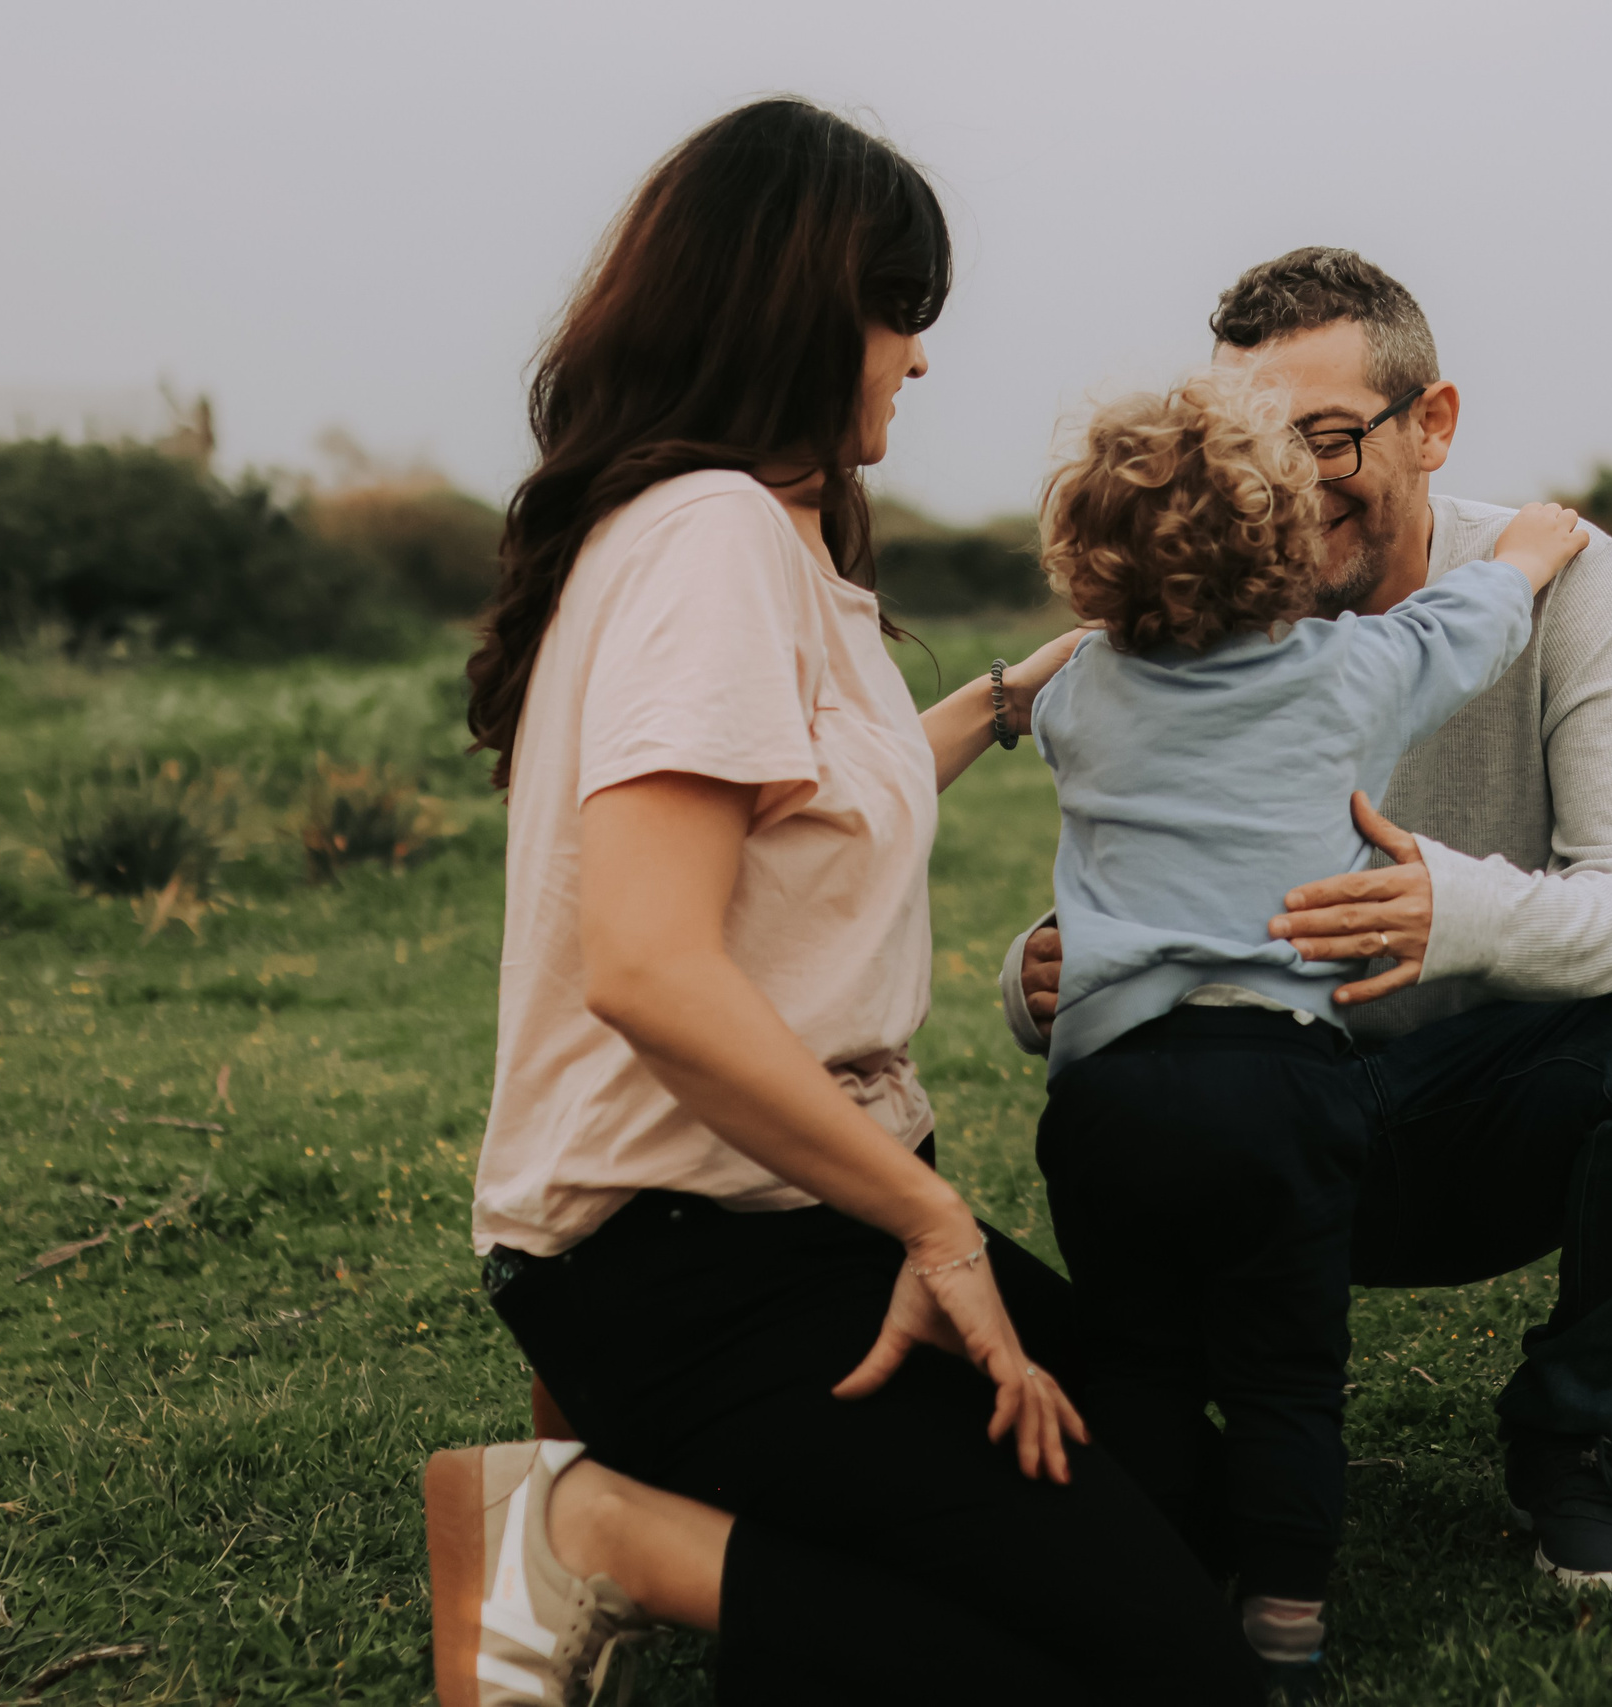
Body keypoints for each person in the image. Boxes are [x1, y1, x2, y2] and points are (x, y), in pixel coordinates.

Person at [425, 99, 1256, 1707]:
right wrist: (929, 1219)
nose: (917, 361)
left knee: (1177, 1478)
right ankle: (584, 1531)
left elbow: (815, 806)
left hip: (803, 1215)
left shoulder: (741, 537)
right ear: (799, 309)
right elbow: (650, 967)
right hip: (695, 1259)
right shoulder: (713, 541)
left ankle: (730, 1506)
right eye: (898, 313)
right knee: (1161, 1672)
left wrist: (1017, 694)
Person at [1003, 248, 1612, 1594]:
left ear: (1432, 425)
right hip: (1251, 1120)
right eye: (1258, 445)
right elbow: (1127, 859)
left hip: (1478, 1114)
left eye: (1325, 437)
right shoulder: (1193, 601)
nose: (1291, 484)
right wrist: (1037, 974)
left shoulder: (1548, 581)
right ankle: (1182, 1476)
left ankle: (1572, 1437)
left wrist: (1453, 909)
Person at [1023, 366, 1590, 1693]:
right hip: (1279, 1086)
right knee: (1286, 1379)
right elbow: (1477, 620)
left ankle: (1156, 1615)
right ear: (1291, 543)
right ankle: (1282, 1631)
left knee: (1141, 1363)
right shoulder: (1356, 671)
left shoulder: (1082, 698)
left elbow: (1047, 700)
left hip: (1110, 1095)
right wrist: (1531, 549)